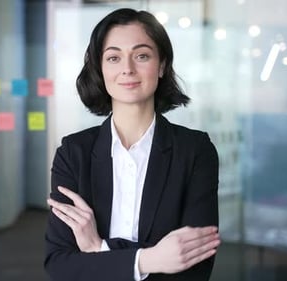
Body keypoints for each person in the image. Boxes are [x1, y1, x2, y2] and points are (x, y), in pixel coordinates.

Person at [44, 8, 220, 281]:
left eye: (141, 56)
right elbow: (60, 265)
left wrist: (97, 248)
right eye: (114, 57)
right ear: (100, 69)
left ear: (161, 65)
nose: (127, 68)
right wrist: (150, 259)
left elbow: (194, 269)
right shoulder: (73, 153)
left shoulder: (195, 151)